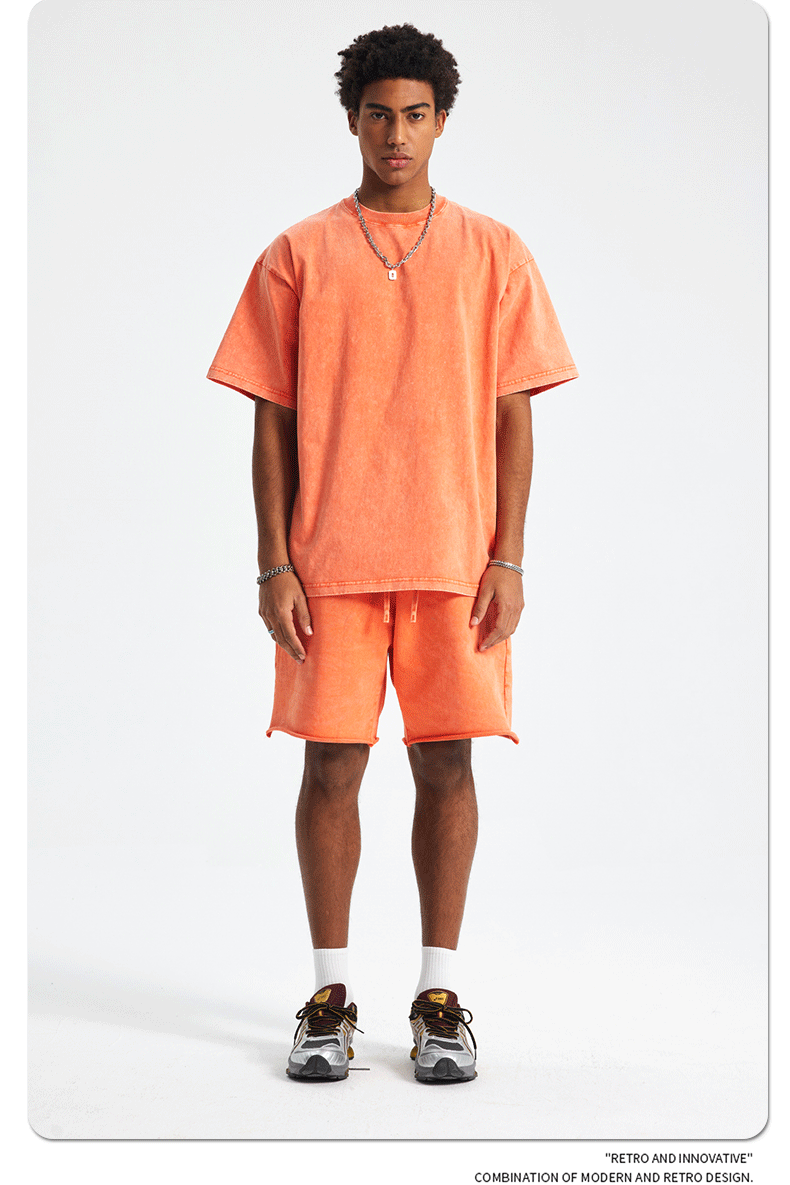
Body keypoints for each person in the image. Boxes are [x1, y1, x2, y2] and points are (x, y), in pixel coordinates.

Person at [207, 23, 578, 1084]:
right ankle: (328, 996)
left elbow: (514, 414)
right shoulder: (297, 253)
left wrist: (508, 558)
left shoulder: (495, 252)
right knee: (331, 764)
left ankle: (438, 996)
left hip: (455, 560)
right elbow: (270, 416)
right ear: (353, 120)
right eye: (378, 114)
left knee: (448, 762)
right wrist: (273, 563)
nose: (396, 134)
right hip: (329, 561)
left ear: (442, 121)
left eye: (415, 114)